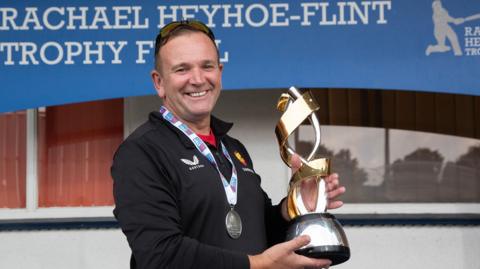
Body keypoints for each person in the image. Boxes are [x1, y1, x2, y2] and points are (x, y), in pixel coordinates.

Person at [111, 20, 346, 269]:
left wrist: (292, 208)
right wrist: (257, 265)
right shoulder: (140, 153)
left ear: (220, 72)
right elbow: (161, 255)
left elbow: (256, 231)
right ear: (159, 82)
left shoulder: (233, 149)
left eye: (207, 66)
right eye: (182, 69)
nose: (198, 79)